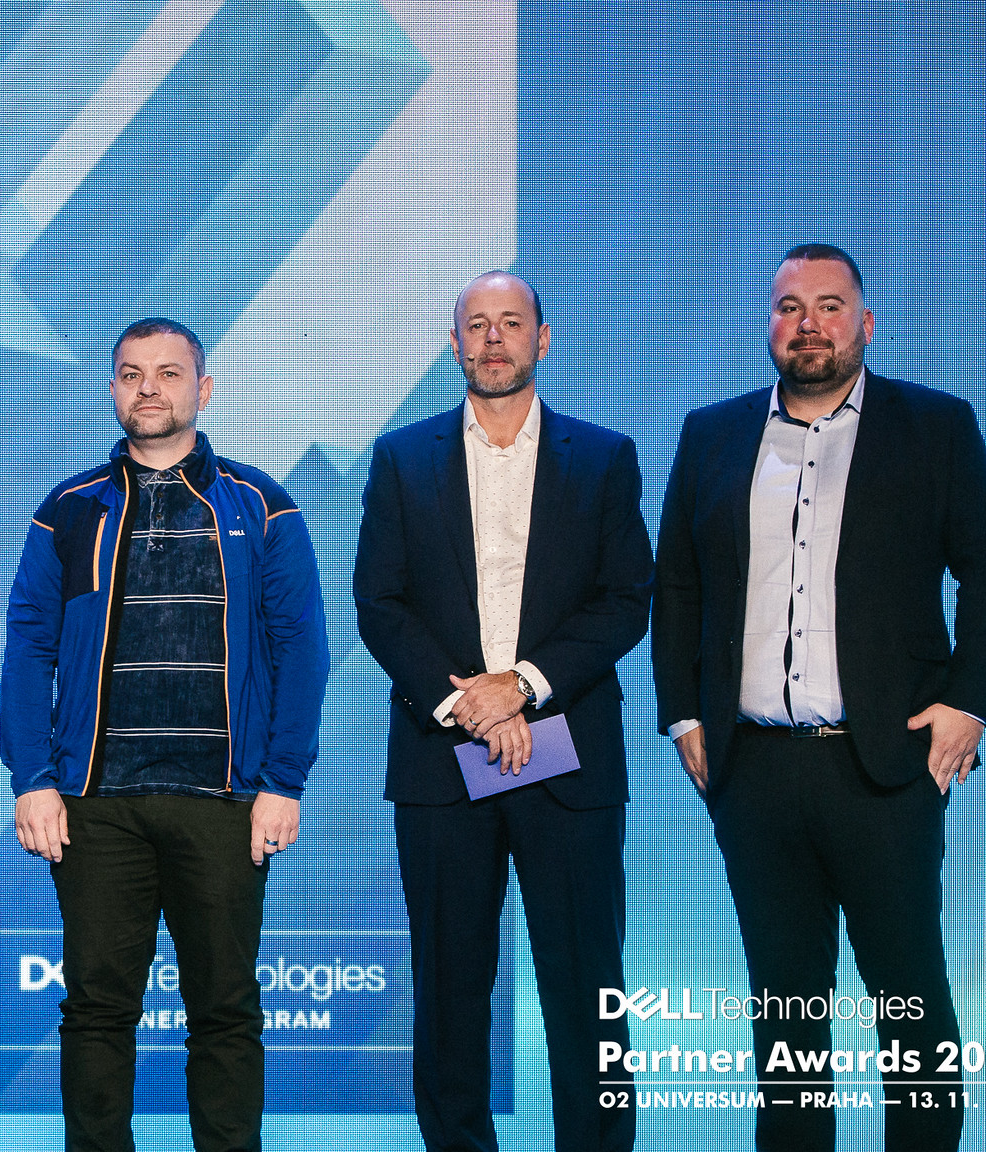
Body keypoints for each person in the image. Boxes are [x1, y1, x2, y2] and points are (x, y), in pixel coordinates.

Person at [653, 244, 986, 1152]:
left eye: (828, 305)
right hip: (752, 771)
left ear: (866, 323)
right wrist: (685, 714)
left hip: (882, 767)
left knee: (909, 1003)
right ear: (768, 324)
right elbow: (680, 585)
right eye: (789, 306)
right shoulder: (711, 434)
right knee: (785, 1018)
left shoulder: (935, 426)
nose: (807, 323)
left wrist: (969, 702)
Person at [3, 317, 330, 1152]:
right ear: (112, 390)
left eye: (168, 372)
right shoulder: (70, 509)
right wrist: (32, 778)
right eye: (130, 374)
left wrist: (283, 781)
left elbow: (302, 648)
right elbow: (29, 646)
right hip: (95, 802)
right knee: (96, 1010)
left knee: (225, 1011)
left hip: (224, 798)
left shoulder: (262, 504)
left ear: (203, 389)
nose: (148, 388)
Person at [354, 271, 652, 1152]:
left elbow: (626, 599)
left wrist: (520, 685)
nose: (493, 339)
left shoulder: (603, 457)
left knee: (587, 988)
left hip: (568, 754)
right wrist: (471, 705)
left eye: (511, 323)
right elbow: (379, 602)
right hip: (441, 760)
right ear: (455, 346)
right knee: (449, 989)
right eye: (477, 325)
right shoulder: (401, 458)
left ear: (542, 339)